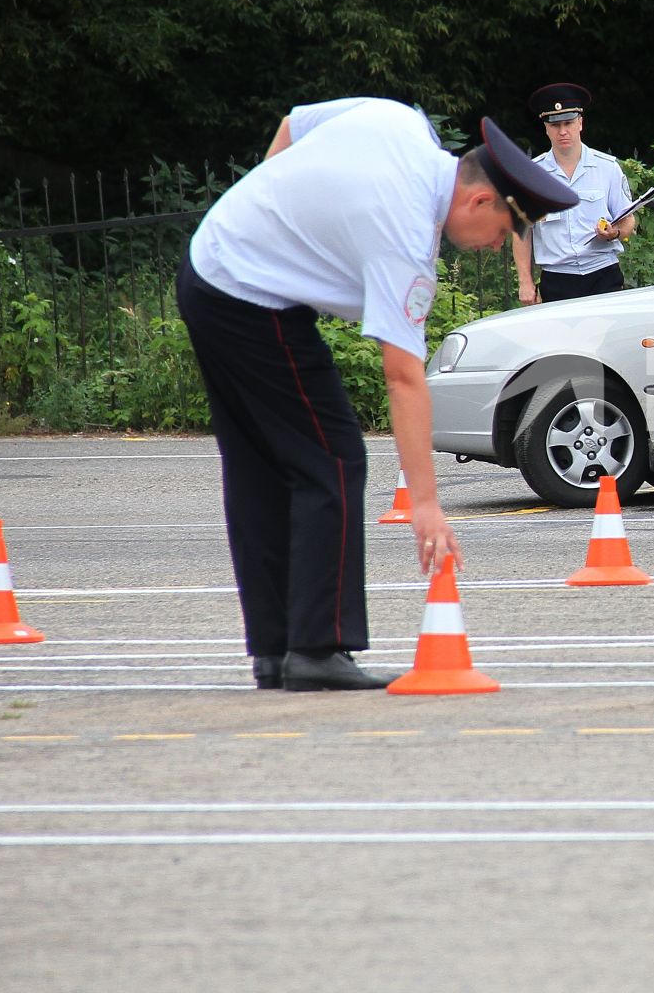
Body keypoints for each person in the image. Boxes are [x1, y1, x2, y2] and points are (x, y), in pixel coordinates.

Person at [178, 98, 577, 690]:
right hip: (251, 298)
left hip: (209, 265)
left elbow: (294, 122)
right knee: (334, 458)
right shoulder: (408, 237)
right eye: (503, 233)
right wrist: (425, 504)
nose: (498, 248)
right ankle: (316, 650)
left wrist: (262, 215)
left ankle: (277, 649)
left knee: (259, 466)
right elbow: (404, 376)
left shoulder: (398, 121)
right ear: (478, 200)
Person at [511, 82, 637, 303]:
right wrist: (525, 281)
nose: (562, 132)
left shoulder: (607, 168)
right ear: (546, 128)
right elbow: (521, 231)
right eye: (555, 125)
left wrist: (614, 233)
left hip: (603, 274)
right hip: (557, 278)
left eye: (568, 123)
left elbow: (628, 220)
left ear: (580, 123)